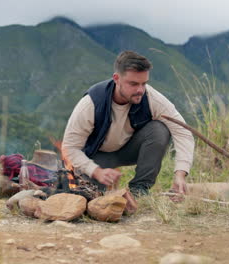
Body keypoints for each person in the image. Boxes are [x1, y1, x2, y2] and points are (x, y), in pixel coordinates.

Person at [62, 51, 194, 213]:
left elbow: (182, 131)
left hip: (128, 149)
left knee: (159, 129)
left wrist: (180, 173)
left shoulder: (151, 97)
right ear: (116, 79)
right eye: (133, 84)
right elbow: (70, 147)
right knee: (93, 197)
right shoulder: (91, 103)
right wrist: (95, 171)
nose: (140, 90)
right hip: (97, 157)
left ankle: (139, 189)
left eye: (144, 83)